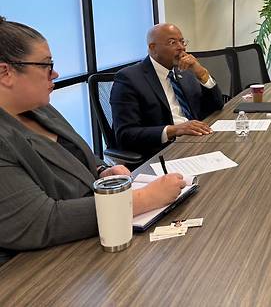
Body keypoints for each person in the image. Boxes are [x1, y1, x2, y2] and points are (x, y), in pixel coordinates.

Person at [0, 17, 186, 265]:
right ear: (5, 72)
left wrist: (102, 170)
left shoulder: (40, 110)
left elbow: (78, 156)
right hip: (46, 267)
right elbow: (39, 222)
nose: (55, 73)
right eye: (46, 65)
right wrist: (142, 200)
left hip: (100, 238)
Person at [110, 23, 224, 160]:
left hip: (197, 141)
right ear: (153, 48)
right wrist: (175, 130)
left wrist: (201, 73)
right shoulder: (129, 79)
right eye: (172, 42)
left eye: (182, 41)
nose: (181, 47)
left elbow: (216, 105)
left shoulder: (184, 71)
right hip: (163, 152)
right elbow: (125, 134)